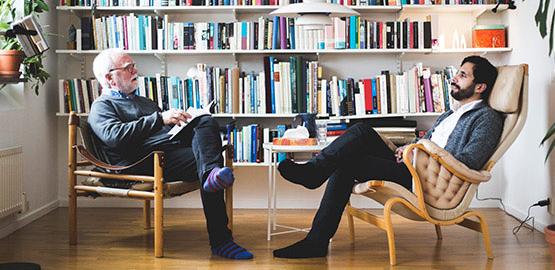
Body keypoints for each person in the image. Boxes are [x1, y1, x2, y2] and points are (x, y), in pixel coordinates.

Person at [273, 55, 504, 259]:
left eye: (463, 75)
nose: (454, 78)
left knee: (347, 164)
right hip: (411, 164)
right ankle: (315, 173)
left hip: (425, 181)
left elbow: (469, 159)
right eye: (457, 73)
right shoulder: (450, 113)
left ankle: (316, 232)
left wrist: (420, 150)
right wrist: (409, 148)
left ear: (480, 87)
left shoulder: (486, 118)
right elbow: (428, 141)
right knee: (361, 130)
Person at [88, 48, 253, 260]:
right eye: (128, 68)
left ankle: (212, 182)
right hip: (137, 161)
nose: (135, 70)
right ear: (110, 77)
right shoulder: (102, 106)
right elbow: (115, 137)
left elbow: (162, 131)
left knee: (204, 124)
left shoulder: (144, 102)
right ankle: (221, 239)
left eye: (133, 65)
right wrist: (160, 119)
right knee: (209, 158)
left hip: (164, 153)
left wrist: (182, 122)